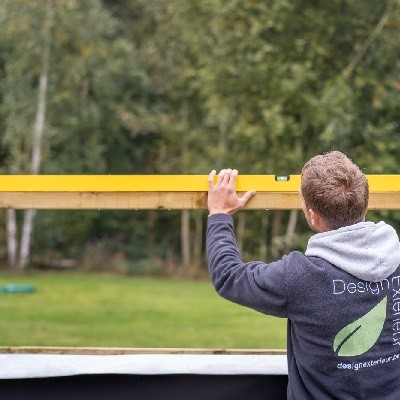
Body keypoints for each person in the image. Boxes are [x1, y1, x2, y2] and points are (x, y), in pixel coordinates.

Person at [206, 151, 400, 399]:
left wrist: (219, 215)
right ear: (365, 202)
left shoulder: (299, 277)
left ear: (313, 216)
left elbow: (228, 276)